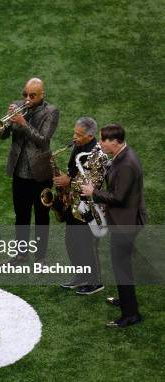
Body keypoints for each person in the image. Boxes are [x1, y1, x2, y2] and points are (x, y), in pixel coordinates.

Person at [82, 124, 147, 328]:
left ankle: (131, 314)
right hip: (124, 220)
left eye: (103, 140)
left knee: (121, 268)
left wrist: (94, 193)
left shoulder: (127, 163)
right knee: (121, 265)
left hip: (126, 224)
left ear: (115, 142)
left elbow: (118, 197)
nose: (100, 143)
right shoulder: (122, 156)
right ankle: (126, 300)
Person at [0, 78, 59, 264]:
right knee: (21, 216)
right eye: (25, 94)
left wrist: (24, 123)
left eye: (32, 95)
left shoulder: (51, 112)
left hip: (40, 174)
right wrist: (7, 124)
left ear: (42, 95)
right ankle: (21, 254)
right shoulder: (17, 106)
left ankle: (40, 257)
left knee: (41, 217)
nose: (27, 99)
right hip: (19, 173)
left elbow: (43, 139)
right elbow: (1, 135)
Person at [53, 117, 108, 294]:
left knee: (86, 245)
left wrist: (68, 180)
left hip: (89, 208)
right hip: (73, 204)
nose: (74, 137)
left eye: (79, 134)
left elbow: (92, 184)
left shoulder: (99, 155)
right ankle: (81, 275)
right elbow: (72, 169)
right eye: (74, 133)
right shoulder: (78, 147)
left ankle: (95, 281)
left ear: (90, 136)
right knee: (71, 242)